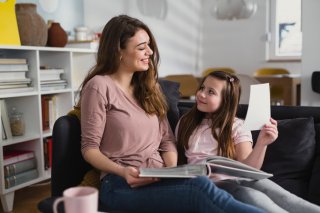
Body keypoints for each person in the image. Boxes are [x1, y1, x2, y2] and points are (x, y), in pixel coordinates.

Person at [78, 15, 266, 213]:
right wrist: (123, 171)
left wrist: (172, 171)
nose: (150, 52)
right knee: (199, 188)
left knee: (206, 188)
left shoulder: (149, 89)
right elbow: (89, 149)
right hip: (120, 184)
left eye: (149, 46)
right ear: (119, 51)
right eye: (141, 47)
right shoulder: (99, 86)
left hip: (158, 177)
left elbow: (167, 140)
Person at [175, 71, 320, 213]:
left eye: (211, 92)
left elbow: (249, 170)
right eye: (202, 88)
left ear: (226, 100)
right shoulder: (186, 122)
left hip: (240, 178)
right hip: (213, 184)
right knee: (252, 197)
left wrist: (262, 143)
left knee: (285, 197)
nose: (201, 94)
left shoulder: (236, 126)